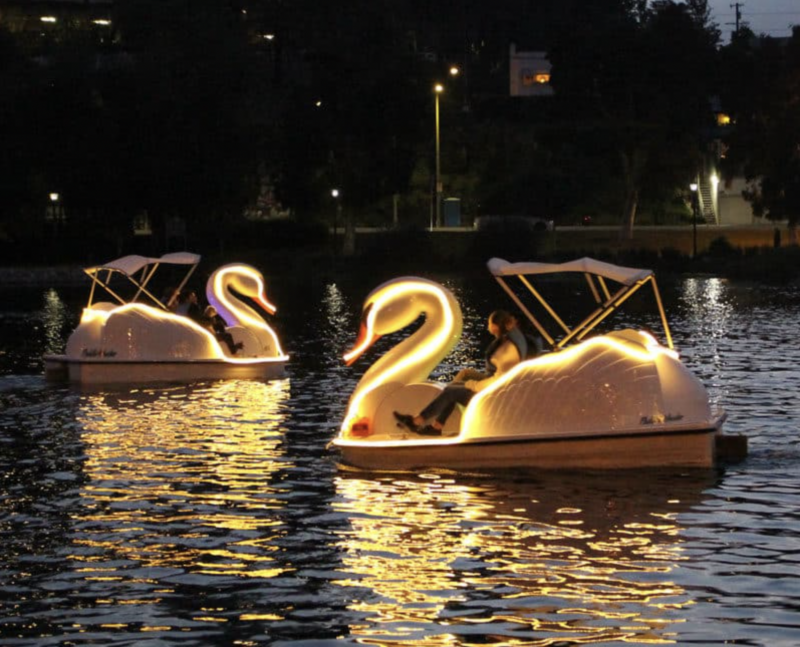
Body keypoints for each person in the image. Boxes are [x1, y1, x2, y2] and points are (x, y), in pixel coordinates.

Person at [394, 309, 527, 436]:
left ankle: (417, 421)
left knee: (451, 391)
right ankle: (437, 424)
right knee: (461, 378)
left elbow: (499, 381)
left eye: (489, 323)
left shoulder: (507, 351)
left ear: (496, 327)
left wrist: (472, 385)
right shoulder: (507, 340)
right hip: (496, 385)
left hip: (495, 396)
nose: (487, 326)